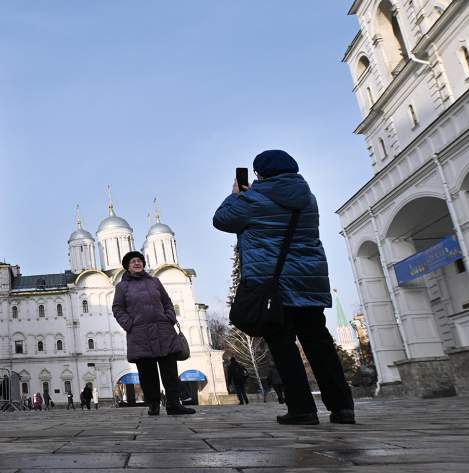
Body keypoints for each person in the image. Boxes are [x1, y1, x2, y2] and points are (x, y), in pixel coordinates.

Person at [213, 149, 355, 425]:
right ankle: (342, 407)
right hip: (309, 282)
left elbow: (221, 220)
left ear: (259, 174)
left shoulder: (253, 199)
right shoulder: (307, 197)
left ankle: (302, 409)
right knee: (319, 343)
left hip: (273, 285)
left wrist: (236, 194)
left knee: (283, 345)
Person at [112, 251, 195, 416]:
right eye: (133, 261)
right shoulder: (122, 287)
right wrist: (130, 324)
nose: (137, 263)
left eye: (139, 261)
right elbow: (117, 308)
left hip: (163, 331)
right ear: (127, 267)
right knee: (147, 372)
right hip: (140, 334)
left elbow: (166, 301)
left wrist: (169, 317)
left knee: (170, 370)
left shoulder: (155, 282)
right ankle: (154, 404)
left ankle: (173, 404)